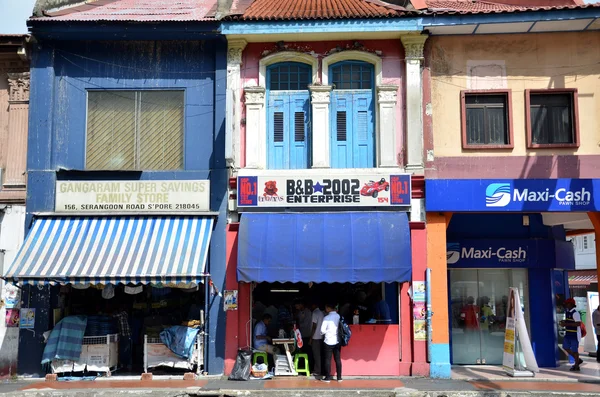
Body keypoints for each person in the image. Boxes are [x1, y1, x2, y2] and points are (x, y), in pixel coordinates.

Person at [320, 303, 342, 383]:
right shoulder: (338, 316)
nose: (325, 309)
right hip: (337, 341)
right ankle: (339, 377)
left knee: (327, 359)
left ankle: (328, 377)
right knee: (338, 359)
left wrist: (327, 331)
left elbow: (322, 331)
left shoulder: (326, 318)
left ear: (329, 308)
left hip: (328, 341)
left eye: (326, 307)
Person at [560, 298, 583, 371]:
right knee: (565, 347)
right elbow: (570, 321)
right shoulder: (568, 312)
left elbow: (578, 323)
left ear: (571, 304)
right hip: (568, 333)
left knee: (575, 350)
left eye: (567, 303)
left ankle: (576, 366)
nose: (566, 305)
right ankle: (578, 360)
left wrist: (566, 323)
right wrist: (564, 322)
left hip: (574, 334)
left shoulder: (575, 313)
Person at [112, 306, 132, 371]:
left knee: (127, 350)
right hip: (123, 335)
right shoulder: (121, 316)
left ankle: (128, 365)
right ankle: (124, 365)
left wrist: (109, 314)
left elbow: (114, 316)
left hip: (126, 335)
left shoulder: (123, 313)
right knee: (123, 350)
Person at [294, 300, 313, 365]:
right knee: (301, 351)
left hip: (306, 335)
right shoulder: (299, 312)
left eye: (297, 306)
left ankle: (308, 367)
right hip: (301, 335)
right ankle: (302, 365)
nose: (296, 307)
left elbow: (305, 324)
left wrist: (297, 326)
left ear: (301, 304)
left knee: (307, 352)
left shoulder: (308, 312)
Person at [310, 301, 325, 377]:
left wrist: (311, 337)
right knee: (319, 354)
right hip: (321, 336)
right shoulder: (321, 313)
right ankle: (320, 370)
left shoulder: (315, 313)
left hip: (315, 337)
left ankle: (317, 371)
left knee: (316, 355)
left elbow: (314, 326)